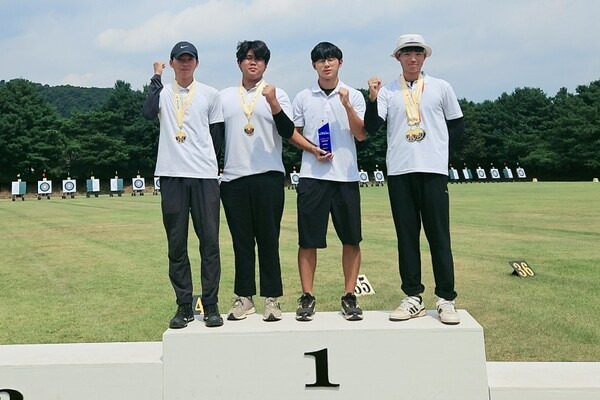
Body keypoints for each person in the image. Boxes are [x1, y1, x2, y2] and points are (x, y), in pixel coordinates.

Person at [219, 40, 325, 322]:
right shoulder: (225, 96)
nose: (253, 63)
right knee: (241, 242)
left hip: (269, 177)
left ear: (266, 64)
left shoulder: (278, 95)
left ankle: (272, 299)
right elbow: (214, 137)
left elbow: (289, 131)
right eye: (247, 58)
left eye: (259, 59)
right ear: (239, 62)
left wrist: (274, 103)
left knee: (269, 240)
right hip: (233, 179)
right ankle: (244, 298)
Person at [364, 34, 465, 325]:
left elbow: (457, 126)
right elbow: (372, 126)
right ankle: (412, 297)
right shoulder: (387, 91)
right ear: (397, 57)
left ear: (425, 57)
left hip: (433, 171)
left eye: (417, 53)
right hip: (399, 171)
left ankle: (446, 299)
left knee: (439, 237)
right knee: (406, 238)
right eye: (406, 53)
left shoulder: (441, 87)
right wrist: (372, 98)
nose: (412, 58)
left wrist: (439, 150)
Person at [142, 41, 224, 328]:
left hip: (204, 177)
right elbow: (148, 112)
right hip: (172, 175)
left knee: (209, 243)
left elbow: (217, 135)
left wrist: (208, 164)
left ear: (197, 63)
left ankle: (211, 305)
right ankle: (183, 305)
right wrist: (155, 76)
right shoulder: (162, 92)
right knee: (177, 245)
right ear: (172, 63)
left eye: (190, 59)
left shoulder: (210, 94)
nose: (185, 63)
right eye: (180, 59)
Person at [292, 42, 367, 321]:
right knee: (308, 240)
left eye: (331, 59)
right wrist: (312, 149)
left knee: (351, 238)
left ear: (340, 62)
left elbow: (361, 134)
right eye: (321, 60)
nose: (326, 64)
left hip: (346, 176)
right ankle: (307, 297)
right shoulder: (303, 97)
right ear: (313, 65)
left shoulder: (354, 95)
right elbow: (292, 133)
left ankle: (349, 295)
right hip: (312, 176)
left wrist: (346, 105)